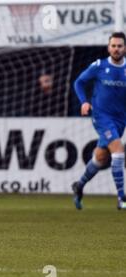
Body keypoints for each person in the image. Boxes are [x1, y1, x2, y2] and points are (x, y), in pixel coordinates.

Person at [72, 32, 126, 210]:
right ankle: (122, 199)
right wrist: (84, 101)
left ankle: (79, 185)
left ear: (124, 48)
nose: (116, 49)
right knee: (118, 152)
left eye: (119, 46)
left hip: (120, 119)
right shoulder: (99, 66)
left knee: (101, 157)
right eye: (113, 46)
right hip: (101, 117)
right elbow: (79, 82)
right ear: (108, 47)